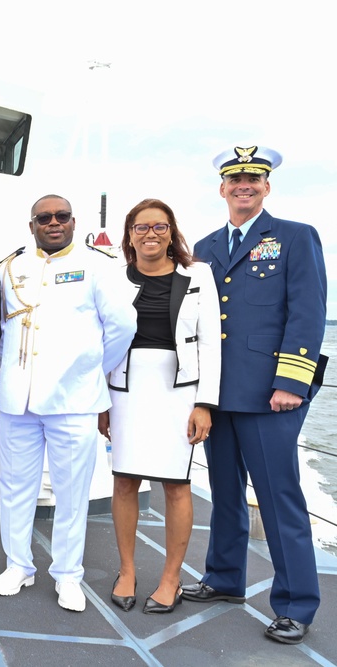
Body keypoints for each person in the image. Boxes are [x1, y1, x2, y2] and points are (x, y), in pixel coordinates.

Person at [184, 146, 327, 645]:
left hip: (271, 396)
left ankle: (295, 604)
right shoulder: (202, 247)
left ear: (267, 186)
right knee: (225, 493)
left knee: (279, 498)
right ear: (222, 188)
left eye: (254, 178)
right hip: (218, 395)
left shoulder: (294, 237)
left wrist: (291, 382)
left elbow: (307, 312)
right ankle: (224, 579)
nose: (244, 185)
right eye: (235, 178)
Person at [0, 195, 136, 612]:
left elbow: (123, 326)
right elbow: (2, 332)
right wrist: (15, 372)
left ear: (73, 222)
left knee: (72, 493)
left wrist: (89, 370)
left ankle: (68, 574)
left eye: (62, 217)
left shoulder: (98, 267)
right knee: (15, 487)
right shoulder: (11, 267)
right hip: (19, 398)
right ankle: (18, 564)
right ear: (32, 224)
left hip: (74, 400)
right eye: (44, 218)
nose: (53, 223)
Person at [98, 199, 221, 615]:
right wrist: (101, 400)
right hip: (125, 390)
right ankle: (128, 570)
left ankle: (172, 578)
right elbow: (101, 340)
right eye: (141, 227)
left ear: (172, 232)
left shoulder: (198, 274)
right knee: (125, 481)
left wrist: (205, 403)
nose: (150, 234)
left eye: (160, 226)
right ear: (129, 234)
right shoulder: (113, 278)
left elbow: (209, 342)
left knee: (175, 484)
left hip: (179, 391)